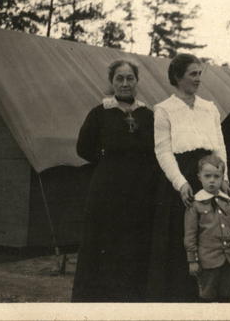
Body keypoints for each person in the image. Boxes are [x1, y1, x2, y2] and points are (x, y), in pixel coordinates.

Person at [148, 53, 230, 302]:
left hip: (210, 174)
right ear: (177, 77)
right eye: (192, 74)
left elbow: (220, 147)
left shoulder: (210, 108)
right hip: (182, 177)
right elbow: (162, 150)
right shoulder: (164, 109)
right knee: (183, 240)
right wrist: (180, 183)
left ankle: (212, 299)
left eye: (199, 74)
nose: (198, 79)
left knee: (213, 239)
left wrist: (224, 178)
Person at [71, 60, 157, 302]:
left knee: (135, 242)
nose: (125, 83)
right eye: (119, 78)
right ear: (111, 82)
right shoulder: (100, 113)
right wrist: (108, 162)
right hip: (108, 189)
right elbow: (83, 148)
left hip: (141, 189)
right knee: (107, 242)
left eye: (130, 78)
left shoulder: (148, 115)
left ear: (137, 82)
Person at [184, 154, 230, 302]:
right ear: (199, 177)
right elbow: (190, 235)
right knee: (207, 295)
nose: (212, 180)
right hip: (208, 260)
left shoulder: (229, 202)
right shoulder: (195, 204)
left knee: (226, 295)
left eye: (216, 176)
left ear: (222, 178)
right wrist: (192, 260)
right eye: (207, 176)